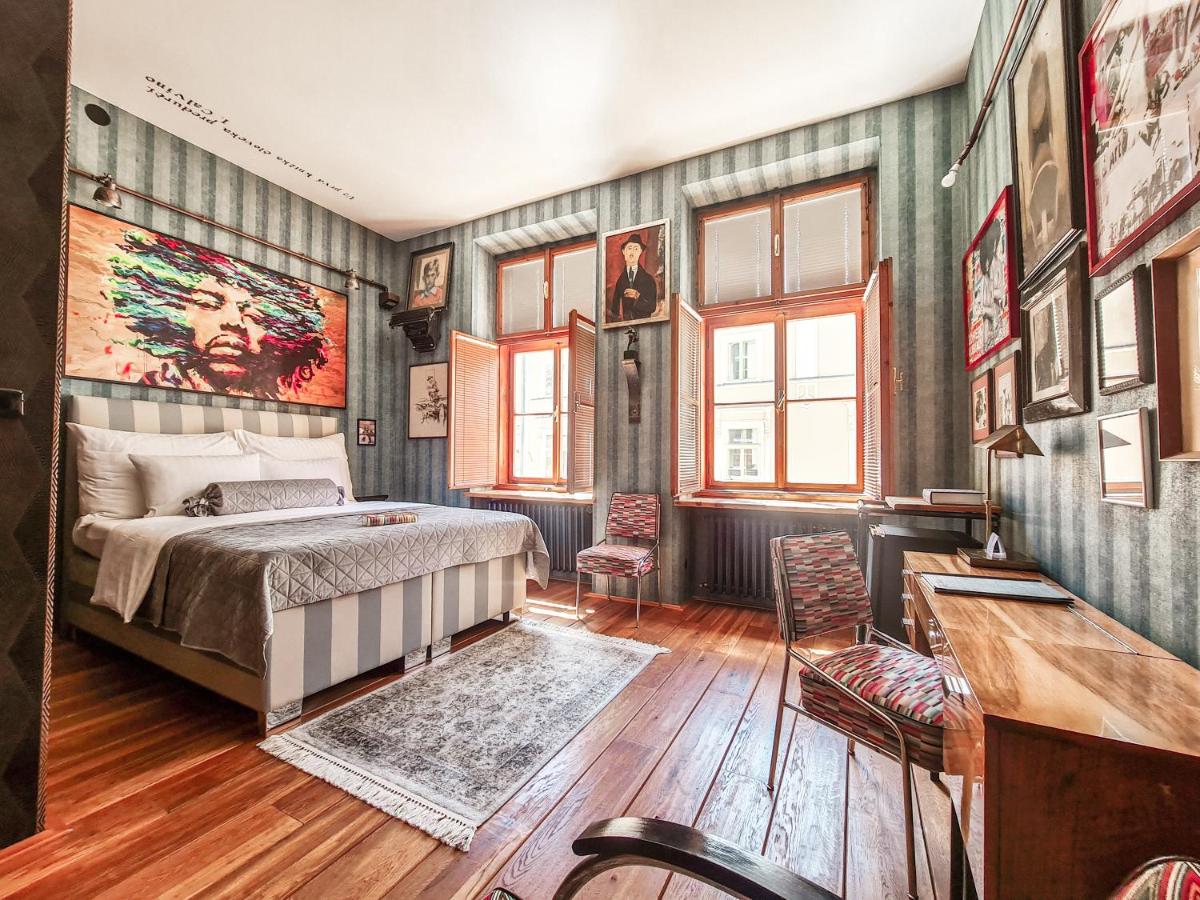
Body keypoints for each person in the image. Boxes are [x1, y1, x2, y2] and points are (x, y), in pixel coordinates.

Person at [106, 228, 331, 399]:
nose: (234, 322)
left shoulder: (271, 402)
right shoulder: (152, 391)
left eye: (255, 316)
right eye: (208, 304)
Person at [607, 232, 660, 322]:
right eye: (629, 248)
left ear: (640, 252)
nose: (632, 252)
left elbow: (652, 307)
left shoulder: (648, 279)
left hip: (644, 325)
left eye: (636, 249)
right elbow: (614, 310)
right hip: (625, 326)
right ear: (623, 251)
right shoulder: (620, 280)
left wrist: (637, 296)